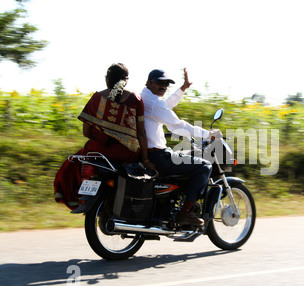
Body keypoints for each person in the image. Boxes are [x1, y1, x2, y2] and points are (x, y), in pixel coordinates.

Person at [54, 63, 153, 209]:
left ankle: (76, 199)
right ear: (126, 80)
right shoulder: (135, 99)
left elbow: (86, 132)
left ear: (107, 79)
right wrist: (145, 159)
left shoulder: (96, 98)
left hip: (98, 151)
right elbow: (141, 133)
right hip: (126, 154)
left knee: (71, 164)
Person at [141, 68, 220, 227]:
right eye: (159, 82)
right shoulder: (154, 103)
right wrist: (208, 134)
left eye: (166, 84)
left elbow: (165, 107)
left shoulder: (146, 97)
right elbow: (177, 126)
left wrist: (182, 89)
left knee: (187, 156)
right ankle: (185, 213)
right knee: (204, 166)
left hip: (151, 154)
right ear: (149, 82)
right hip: (159, 156)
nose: (163, 86)